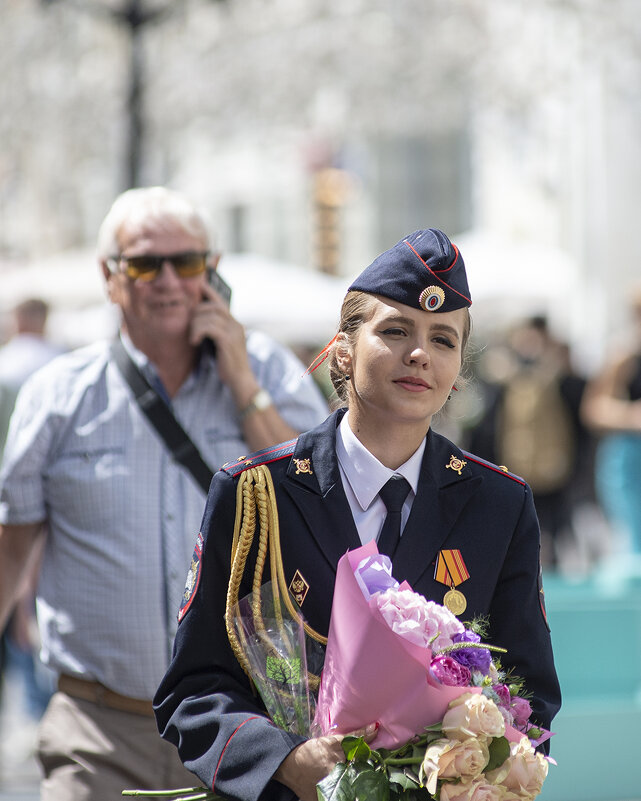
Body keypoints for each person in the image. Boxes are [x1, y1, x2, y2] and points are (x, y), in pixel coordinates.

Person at [154, 228, 561, 801]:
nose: (419, 354)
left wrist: (472, 767)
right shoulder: (255, 495)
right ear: (343, 348)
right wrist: (286, 761)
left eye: (443, 340)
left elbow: (532, 696)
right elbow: (193, 690)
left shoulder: (501, 505)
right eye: (395, 331)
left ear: (457, 367)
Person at [0, 186, 329, 800]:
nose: (169, 280)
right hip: (98, 730)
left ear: (214, 270)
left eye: (189, 262)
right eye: (147, 264)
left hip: (243, 731)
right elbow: (9, 553)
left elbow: (316, 504)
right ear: (110, 277)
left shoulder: (269, 372)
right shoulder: (57, 396)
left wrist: (241, 380)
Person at [581, 289, 641, 558]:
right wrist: (631, 415)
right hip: (629, 458)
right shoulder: (624, 357)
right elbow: (594, 408)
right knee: (631, 542)